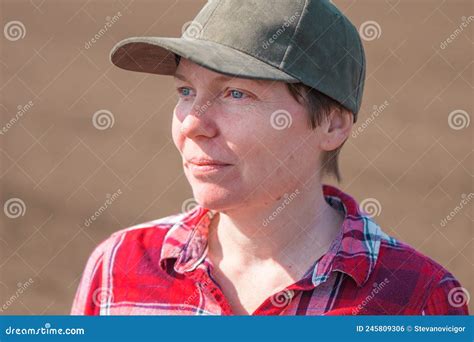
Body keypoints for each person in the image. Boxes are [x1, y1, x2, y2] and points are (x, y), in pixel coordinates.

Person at [72, 0, 468, 315]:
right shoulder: (118, 268)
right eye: (186, 92)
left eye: (236, 94)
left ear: (332, 124)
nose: (193, 124)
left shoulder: (417, 302)